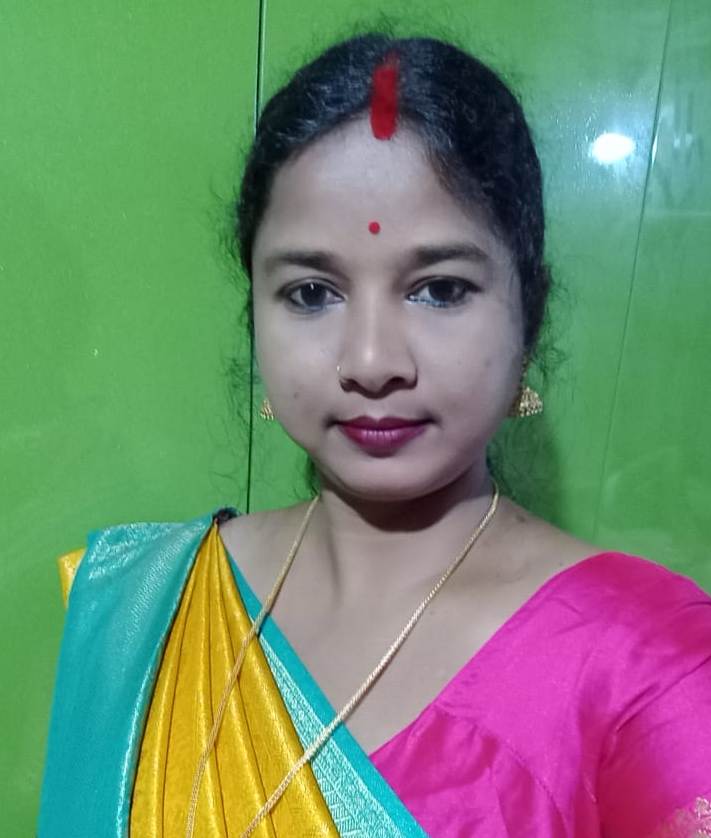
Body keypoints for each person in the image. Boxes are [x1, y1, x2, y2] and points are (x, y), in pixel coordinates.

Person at [39, 32, 711, 838]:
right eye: (311, 293)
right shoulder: (143, 603)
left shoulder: (650, 666)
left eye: (439, 289)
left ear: (528, 313)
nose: (370, 362)